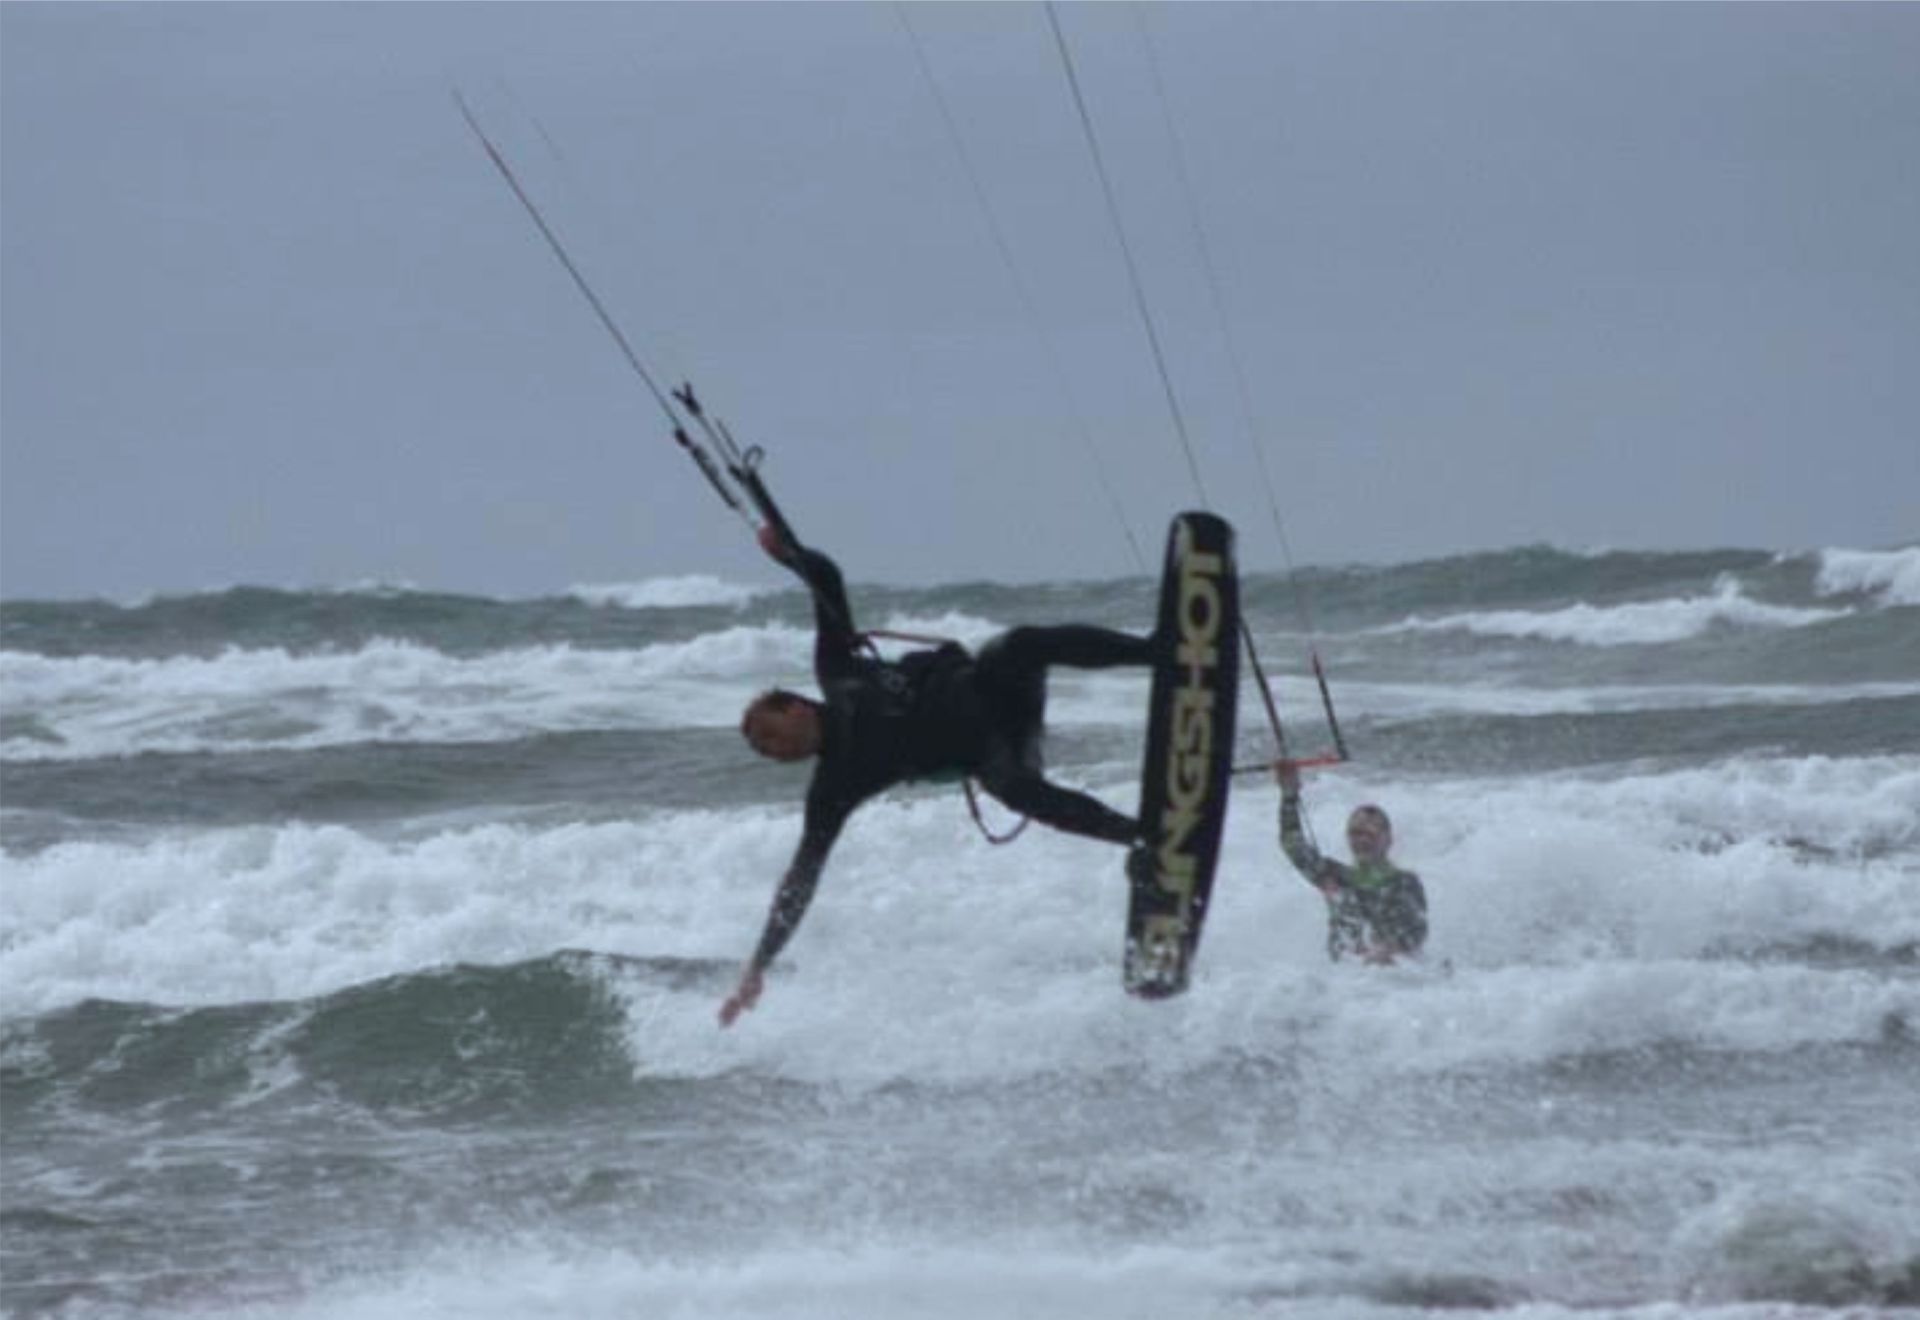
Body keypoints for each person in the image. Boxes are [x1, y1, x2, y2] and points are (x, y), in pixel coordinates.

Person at [719, 525, 1158, 1025]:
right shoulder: (833, 787)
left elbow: (827, 579)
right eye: (764, 751)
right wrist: (759, 964)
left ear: (795, 706)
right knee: (1014, 790)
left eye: (768, 735)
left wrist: (790, 555)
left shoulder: (837, 669)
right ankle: (1144, 839)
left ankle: (1157, 653)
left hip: (997, 691)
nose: (772, 752)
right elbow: (801, 879)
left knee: (1017, 644)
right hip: (995, 752)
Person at [1275, 760, 1427, 964]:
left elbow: (1416, 933)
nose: (1361, 840)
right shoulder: (1335, 876)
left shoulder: (1405, 882)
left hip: (1390, 976)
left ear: (1388, 839)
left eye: (1369, 834)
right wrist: (1289, 795)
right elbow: (1293, 845)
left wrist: (1387, 949)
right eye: (1355, 833)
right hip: (1342, 978)